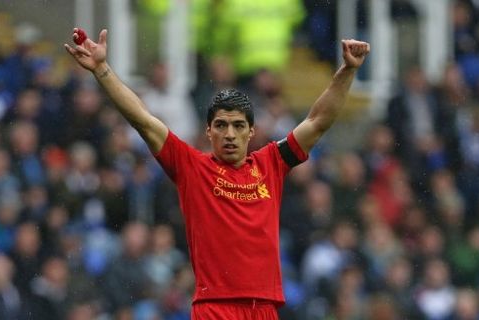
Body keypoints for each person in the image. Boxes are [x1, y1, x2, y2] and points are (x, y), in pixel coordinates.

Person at [64, 27, 369, 319]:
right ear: (208, 131)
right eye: (221, 125)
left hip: (264, 308)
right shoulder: (192, 168)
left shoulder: (271, 164)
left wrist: (348, 71)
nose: (230, 134)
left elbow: (317, 121)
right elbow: (143, 119)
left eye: (238, 126)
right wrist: (102, 70)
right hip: (215, 307)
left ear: (252, 131)